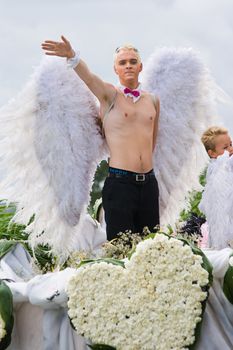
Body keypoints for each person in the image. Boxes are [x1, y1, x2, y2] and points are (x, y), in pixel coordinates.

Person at [41, 36, 160, 241]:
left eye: (133, 62)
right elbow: (88, 78)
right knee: (121, 248)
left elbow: (153, 141)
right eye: (122, 63)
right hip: (121, 184)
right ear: (116, 69)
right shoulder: (109, 95)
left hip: (149, 184)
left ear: (141, 66)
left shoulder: (153, 100)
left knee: (151, 248)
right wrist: (72, 56)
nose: (128, 65)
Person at [199, 126, 233, 249]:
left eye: (231, 144)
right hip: (224, 232)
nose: (231, 149)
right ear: (212, 153)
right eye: (225, 148)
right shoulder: (219, 168)